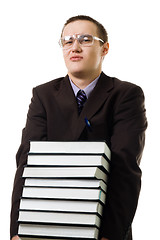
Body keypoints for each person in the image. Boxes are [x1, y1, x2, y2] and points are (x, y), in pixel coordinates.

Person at [10, 15, 147, 240]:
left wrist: (110, 234)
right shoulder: (43, 95)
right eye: (68, 41)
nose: (75, 47)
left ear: (105, 48)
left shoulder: (126, 95)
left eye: (85, 39)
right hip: (45, 222)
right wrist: (17, 231)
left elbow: (125, 168)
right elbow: (26, 162)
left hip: (103, 224)